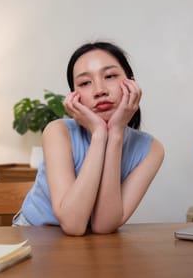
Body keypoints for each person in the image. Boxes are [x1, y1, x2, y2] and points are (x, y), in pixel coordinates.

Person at [13, 42, 164, 236]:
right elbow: (72, 224)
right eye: (85, 83)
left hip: (95, 244)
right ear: (75, 97)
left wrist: (115, 134)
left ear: (132, 84)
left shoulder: (151, 149)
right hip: (36, 234)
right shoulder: (58, 132)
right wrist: (99, 135)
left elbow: (103, 226)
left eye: (110, 76)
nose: (100, 90)